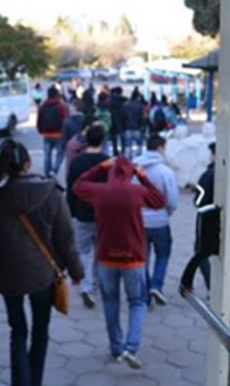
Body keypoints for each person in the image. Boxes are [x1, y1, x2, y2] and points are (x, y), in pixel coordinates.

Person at [0, 139, 84, 386]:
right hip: (43, 275)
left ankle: (21, 382)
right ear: (28, 163)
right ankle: (34, 381)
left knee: (17, 331)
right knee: (40, 332)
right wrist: (77, 271)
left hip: (8, 277)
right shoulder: (52, 193)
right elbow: (66, 238)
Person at [73, 156, 166, 369]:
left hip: (106, 256)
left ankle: (116, 348)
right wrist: (142, 176)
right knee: (137, 302)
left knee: (110, 302)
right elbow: (160, 200)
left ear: (111, 172)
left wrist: (99, 167)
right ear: (130, 174)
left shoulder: (100, 191)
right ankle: (130, 348)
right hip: (133, 257)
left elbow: (78, 186)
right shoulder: (137, 192)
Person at [66, 125, 110, 309]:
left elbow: (71, 189)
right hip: (104, 214)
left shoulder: (77, 163)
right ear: (103, 141)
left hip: (82, 212)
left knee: (83, 251)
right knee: (100, 251)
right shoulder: (108, 162)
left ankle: (86, 285)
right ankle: (98, 284)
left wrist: (72, 210)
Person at [134, 135, 179, 305]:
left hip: (139, 220)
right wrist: (167, 211)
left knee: (142, 257)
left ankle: (144, 289)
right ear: (160, 148)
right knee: (163, 253)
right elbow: (172, 199)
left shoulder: (135, 169)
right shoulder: (165, 172)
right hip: (160, 220)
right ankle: (156, 285)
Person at [194, 142, 219, 291]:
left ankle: (212, 287)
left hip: (208, 219)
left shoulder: (208, 175)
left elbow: (198, 200)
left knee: (201, 252)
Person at [37, 87, 68, 178]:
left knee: (47, 155)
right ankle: (54, 170)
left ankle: (47, 173)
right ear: (56, 95)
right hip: (59, 134)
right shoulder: (61, 106)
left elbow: (39, 121)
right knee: (60, 153)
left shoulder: (42, 106)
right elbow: (65, 120)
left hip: (47, 134)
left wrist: (41, 131)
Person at [122, 91, 145, 159]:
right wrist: (142, 127)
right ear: (137, 97)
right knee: (139, 146)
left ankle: (128, 161)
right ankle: (138, 160)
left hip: (127, 128)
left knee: (128, 147)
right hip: (137, 128)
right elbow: (141, 118)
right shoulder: (140, 106)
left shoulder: (125, 105)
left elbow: (123, 117)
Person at [108, 87, 127, 156]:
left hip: (113, 122)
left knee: (114, 140)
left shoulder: (110, 101)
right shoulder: (124, 100)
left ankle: (115, 152)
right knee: (123, 139)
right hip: (122, 121)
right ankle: (123, 153)